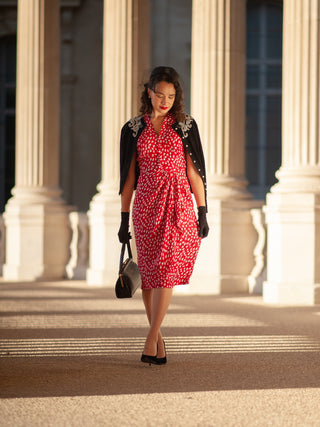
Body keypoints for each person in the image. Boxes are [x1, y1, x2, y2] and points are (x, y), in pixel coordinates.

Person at [118, 66, 209, 365]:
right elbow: (128, 179)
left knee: (167, 268)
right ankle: (159, 341)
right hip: (145, 204)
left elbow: (194, 172)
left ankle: (150, 337)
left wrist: (202, 210)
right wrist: (123, 218)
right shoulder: (133, 129)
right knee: (149, 276)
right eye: (160, 94)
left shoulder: (185, 125)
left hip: (178, 203)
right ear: (149, 92)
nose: (165, 100)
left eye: (171, 95)